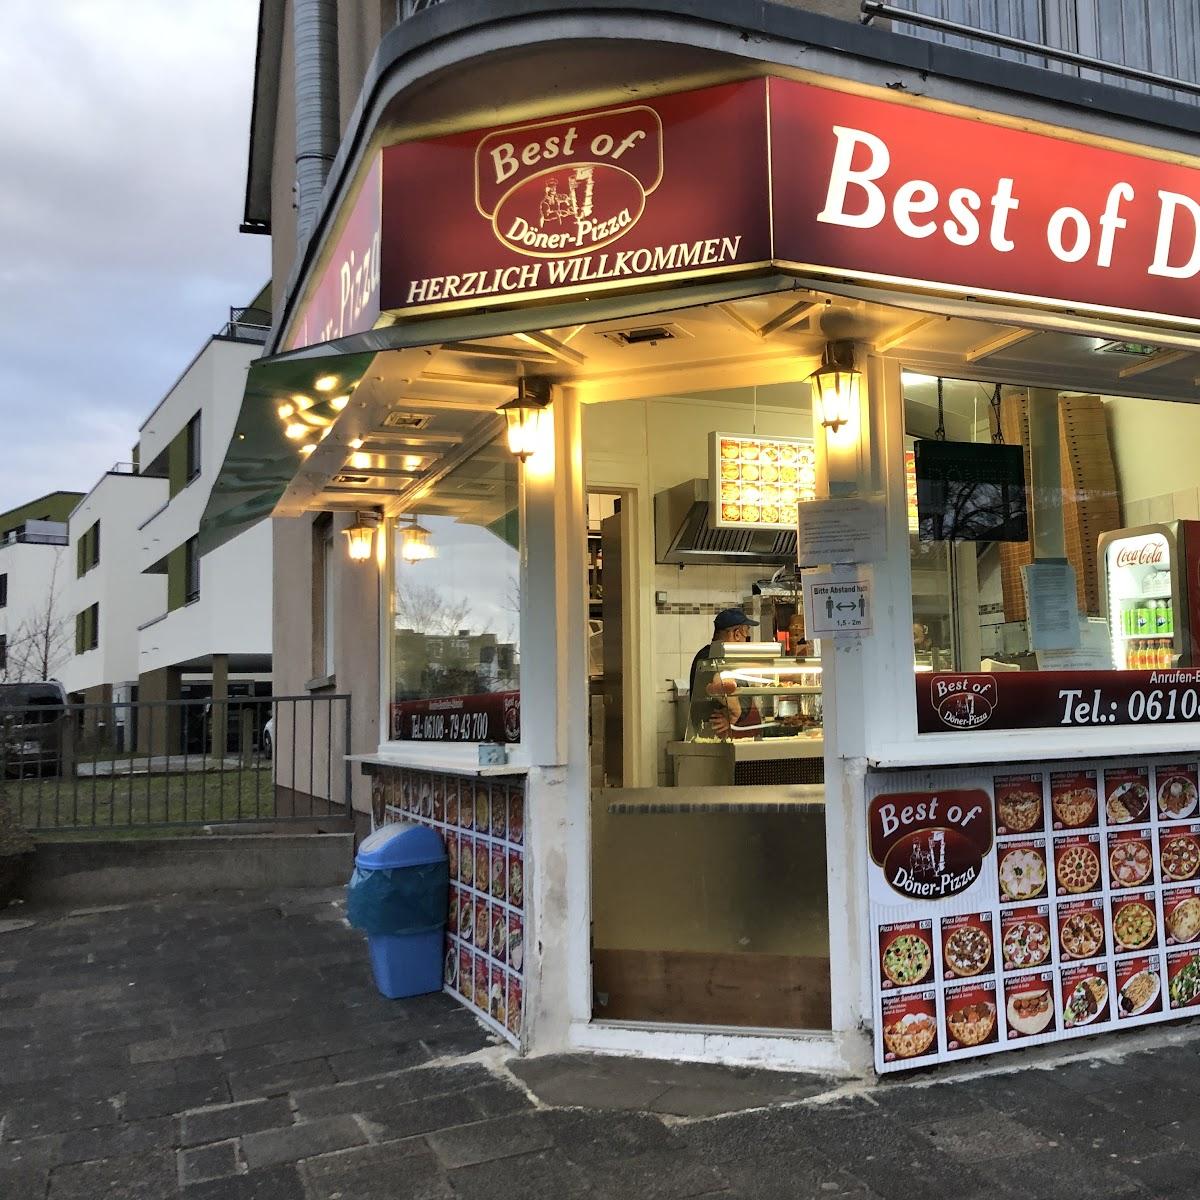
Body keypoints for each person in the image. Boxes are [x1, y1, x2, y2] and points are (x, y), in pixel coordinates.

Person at [689, 608, 761, 739]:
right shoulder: (710, 657)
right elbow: (720, 681)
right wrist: (736, 711)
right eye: (746, 633)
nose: (746, 639)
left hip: (729, 736)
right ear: (737, 634)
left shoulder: (725, 658)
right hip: (714, 737)